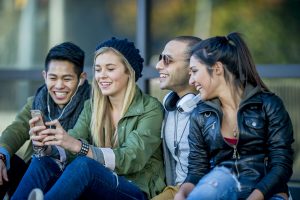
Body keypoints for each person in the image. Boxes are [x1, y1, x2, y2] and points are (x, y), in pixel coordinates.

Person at [12, 37, 165, 200]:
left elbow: (131, 158)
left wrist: (80, 147)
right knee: (43, 162)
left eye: (110, 69)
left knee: (84, 164)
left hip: (133, 190)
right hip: (98, 186)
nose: (102, 76)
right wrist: (47, 147)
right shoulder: (92, 107)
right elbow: (71, 143)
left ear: (129, 72)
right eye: (98, 69)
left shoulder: (150, 108)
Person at [174, 32, 294, 200]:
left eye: (194, 71)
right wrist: (183, 192)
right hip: (222, 193)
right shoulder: (200, 115)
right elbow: (197, 170)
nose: (192, 81)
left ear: (217, 68)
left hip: (267, 195)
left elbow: (281, 166)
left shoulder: (268, 105)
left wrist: (254, 198)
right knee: (219, 178)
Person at [0, 42, 90, 198]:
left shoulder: (92, 105)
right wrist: (1, 155)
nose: (59, 86)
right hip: (33, 173)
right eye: (53, 78)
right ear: (44, 76)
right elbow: (16, 129)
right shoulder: (37, 102)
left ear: (81, 78)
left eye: (67, 79)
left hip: (69, 180)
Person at [152, 36, 202, 200]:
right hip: (174, 190)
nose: (158, 65)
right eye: (160, 59)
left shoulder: (210, 112)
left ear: (192, 67)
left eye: (167, 60)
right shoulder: (170, 107)